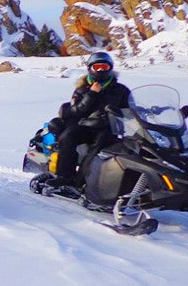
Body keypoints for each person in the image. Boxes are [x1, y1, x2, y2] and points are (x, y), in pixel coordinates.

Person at [46, 51, 131, 188]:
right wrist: (91, 94)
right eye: (97, 67)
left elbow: (130, 108)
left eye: (104, 67)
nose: (101, 70)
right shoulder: (82, 90)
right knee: (67, 137)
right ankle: (65, 177)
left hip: (110, 127)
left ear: (110, 68)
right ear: (90, 69)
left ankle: (82, 181)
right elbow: (77, 111)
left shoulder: (120, 90)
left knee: (99, 145)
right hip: (86, 125)